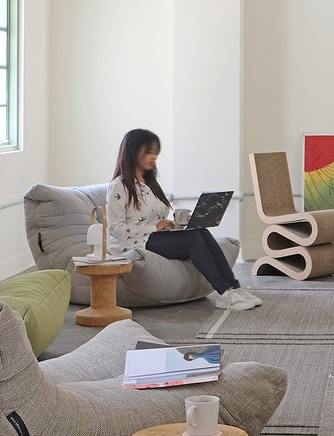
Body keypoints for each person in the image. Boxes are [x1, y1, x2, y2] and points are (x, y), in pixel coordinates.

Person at [107, 128, 262, 312]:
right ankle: (226, 293)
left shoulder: (149, 184)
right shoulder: (119, 186)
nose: (154, 156)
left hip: (154, 238)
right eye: (148, 151)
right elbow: (115, 229)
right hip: (135, 244)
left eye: (155, 152)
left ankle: (233, 288)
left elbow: (156, 220)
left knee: (200, 232)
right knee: (195, 238)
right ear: (133, 152)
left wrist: (175, 225)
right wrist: (154, 228)